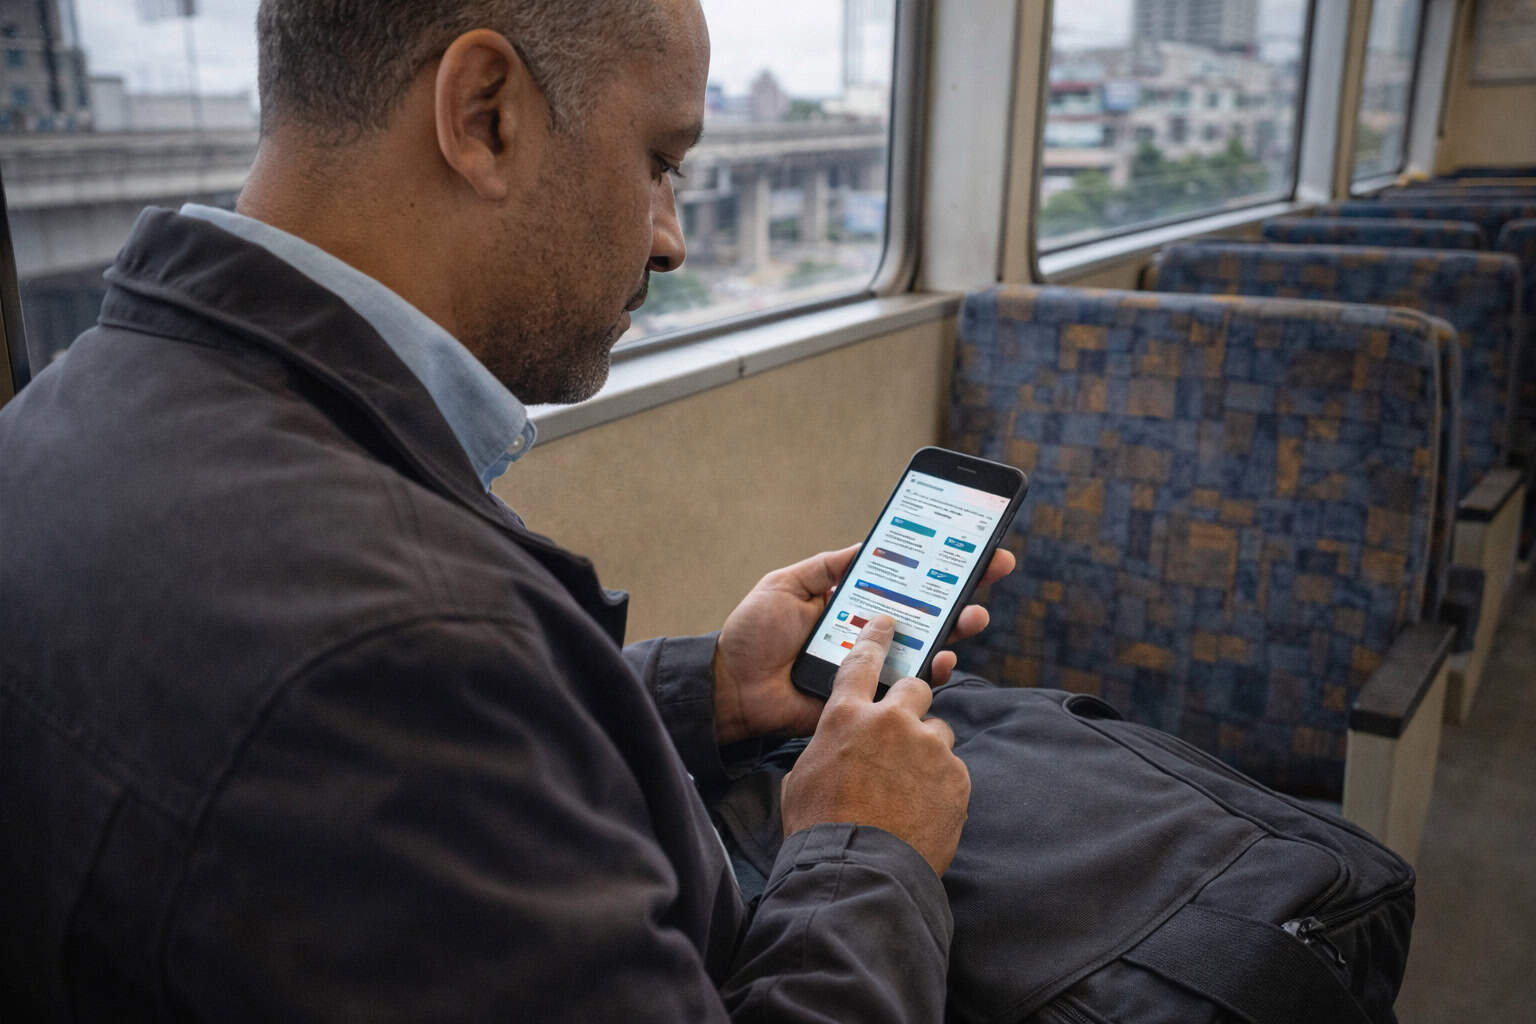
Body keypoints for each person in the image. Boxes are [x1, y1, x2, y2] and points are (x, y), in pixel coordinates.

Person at [0, 1, 1013, 1019]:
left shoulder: (62, 416)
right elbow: (405, 715)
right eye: (660, 160)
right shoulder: (402, 647)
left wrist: (702, 691)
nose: (670, 242)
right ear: (485, 114)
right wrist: (865, 851)